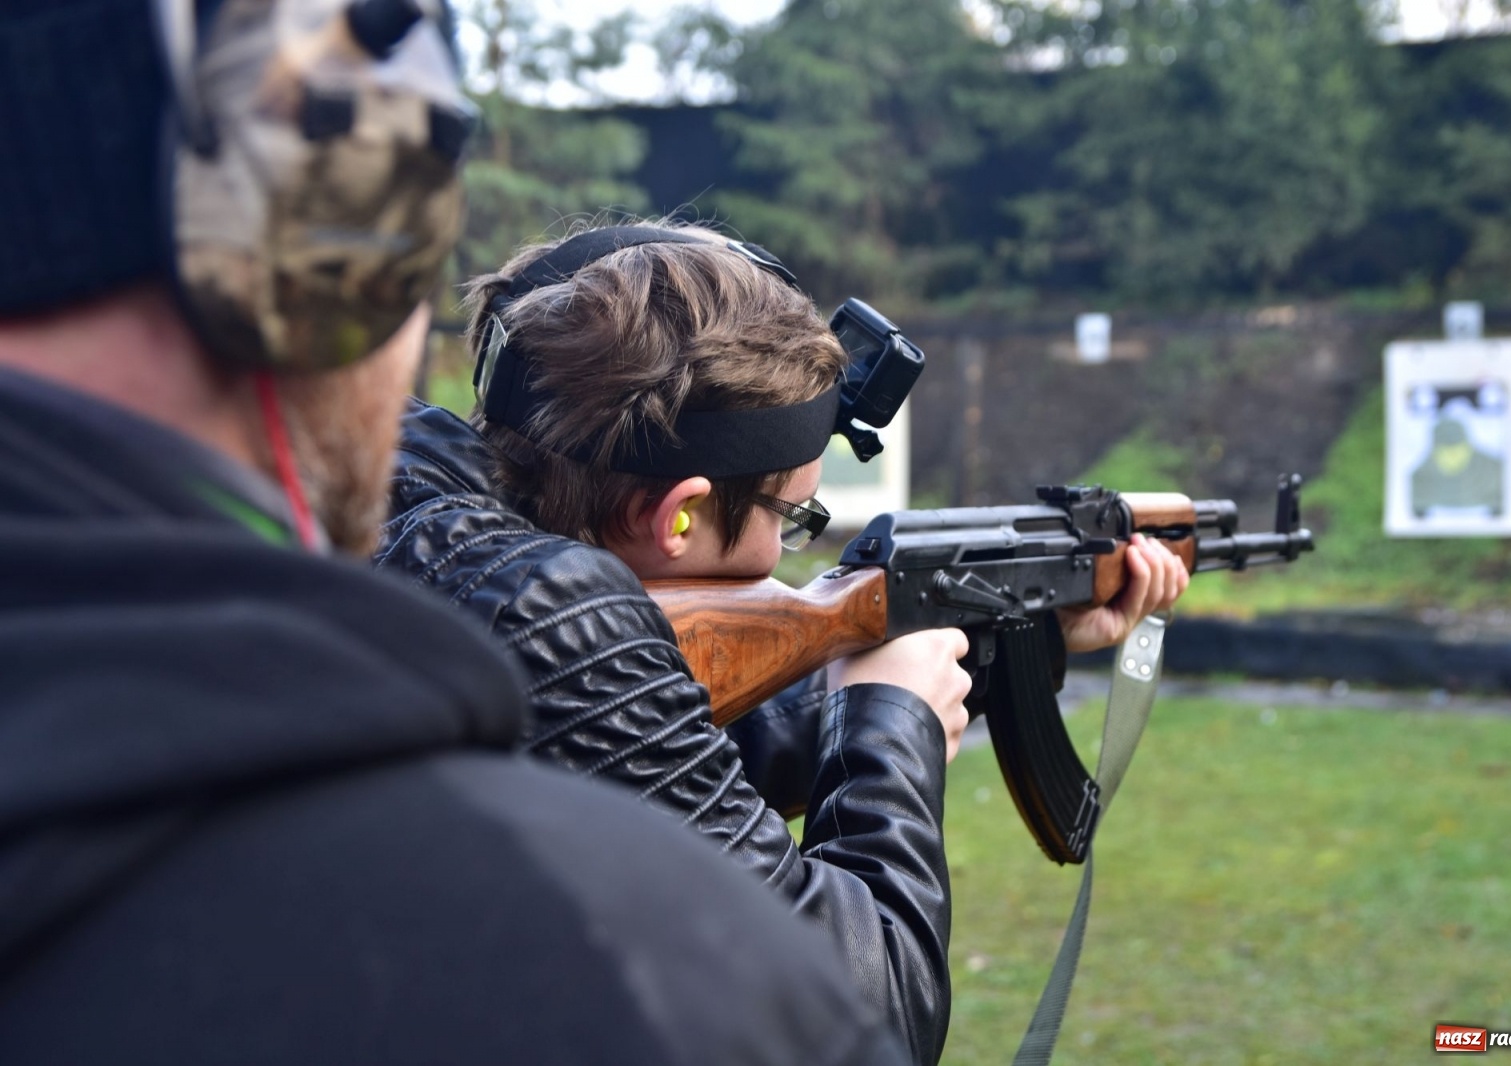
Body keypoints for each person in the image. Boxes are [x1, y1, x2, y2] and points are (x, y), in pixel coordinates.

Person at [0, 3, 917, 1064]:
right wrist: (888, 718)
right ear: (328, 254)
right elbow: (872, 1008)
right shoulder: (644, 967)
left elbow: (660, 734)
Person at [377, 219, 1191, 1065]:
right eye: (794, 518)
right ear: (677, 516)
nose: (793, 551)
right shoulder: (555, 622)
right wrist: (889, 721)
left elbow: (670, 756)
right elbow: (869, 1017)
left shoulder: (409, 501)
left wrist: (1010, 641)